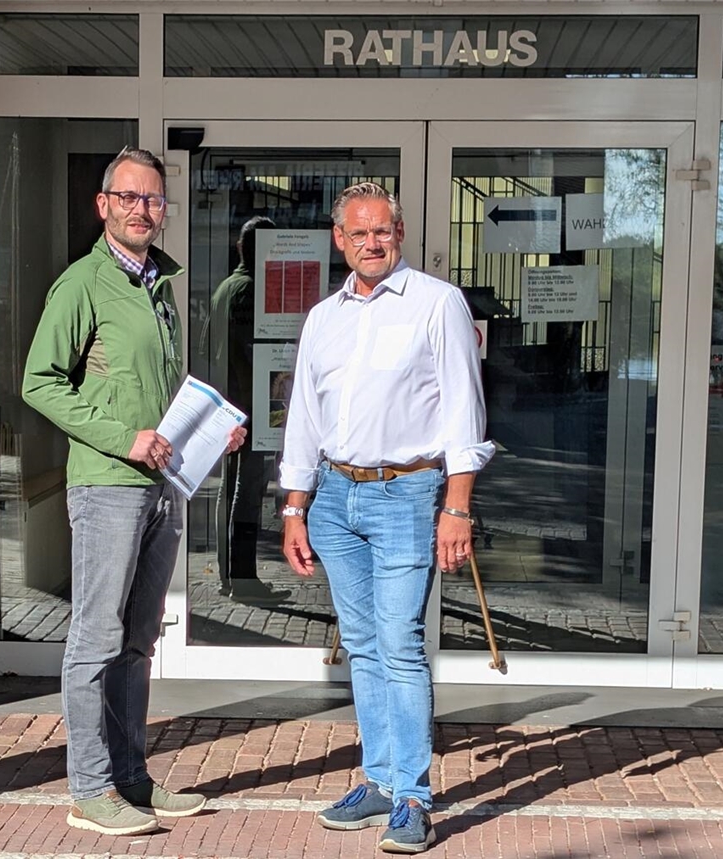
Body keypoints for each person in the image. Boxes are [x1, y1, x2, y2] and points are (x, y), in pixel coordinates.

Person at [22, 146, 246, 836]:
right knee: (94, 639)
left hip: (160, 488)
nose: (143, 210)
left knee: (137, 642)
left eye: (153, 200)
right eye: (129, 198)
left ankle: (131, 778)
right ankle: (90, 789)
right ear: (104, 205)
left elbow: (164, 390)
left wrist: (212, 430)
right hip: (109, 486)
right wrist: (124, 436)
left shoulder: (160, 285)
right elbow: (40, 382)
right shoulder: (81, 286)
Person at [280, 182, 494, 854]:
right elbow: (304, 421)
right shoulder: (323, 318)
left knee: (400, 643)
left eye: (385, 231)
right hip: (336, 502)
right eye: (360, 232)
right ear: (339, 239)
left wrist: (457, 505)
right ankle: (376, 780)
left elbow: (465, 411)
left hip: (407, 494)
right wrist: (295, 504)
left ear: (398, 233)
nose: (373, 243)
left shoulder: (438, 304)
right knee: (365, 644)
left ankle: (412, 796)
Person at [205, 216, 290, 604]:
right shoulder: (250, 291)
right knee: (246, 494)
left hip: (230, 406)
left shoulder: (226, 288)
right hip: (248, 409)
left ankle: (231, 577)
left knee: (231, 490)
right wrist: (260, 412)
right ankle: (242, 578)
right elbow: (250, 356)